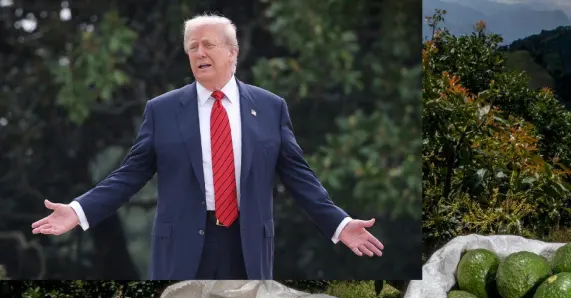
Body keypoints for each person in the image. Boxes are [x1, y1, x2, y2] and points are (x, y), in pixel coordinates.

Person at [31, 13, 384, 280]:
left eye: (208, 45)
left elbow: (299, 178)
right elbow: (129, 175)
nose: (199, 53)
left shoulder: (271, 107)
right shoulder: (163, 110)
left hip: (248, 244)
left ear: (233, 53)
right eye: (192, 47)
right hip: (181, 244)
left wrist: (340, 223)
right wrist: (78, 212)